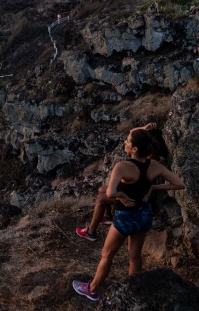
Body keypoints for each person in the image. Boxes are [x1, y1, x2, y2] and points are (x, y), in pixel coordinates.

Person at [72, 128, 185, 302]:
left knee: (107, 254)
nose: (125, 142)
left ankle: (92, 289)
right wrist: (154, 187)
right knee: (135, 255)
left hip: (126, 216)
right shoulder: (154, 165)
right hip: (144, 215)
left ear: (135, 149)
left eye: (128, 141)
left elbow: (110, 193)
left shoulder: (122, 167)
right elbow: (179, 184)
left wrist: (121, 196)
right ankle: (135, 292)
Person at [75, 123, 164, 242]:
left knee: (101, 199)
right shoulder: (148, 155)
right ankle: (107, 216)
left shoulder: (149, 159)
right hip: (134, 189)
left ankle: (91, 231)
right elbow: (131, 132)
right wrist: (144, 128)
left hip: (135, 197)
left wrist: (152, 188)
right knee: (101, 189)